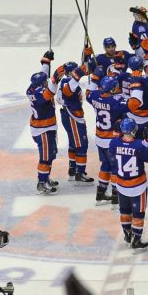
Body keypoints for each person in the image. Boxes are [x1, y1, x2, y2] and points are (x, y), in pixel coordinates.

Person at [109, 118, 148, 252]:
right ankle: (136, 240)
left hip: (121, 184)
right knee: (138, 213)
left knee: (124, 211)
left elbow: (115, 151)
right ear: (134, 130)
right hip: (138, 186)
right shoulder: (140, 145)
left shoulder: (114, 143)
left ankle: (127, 235)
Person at [87, 76, 131, 206]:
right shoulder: (115, 102)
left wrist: (95, 77)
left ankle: (100, 194)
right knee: (115, 169)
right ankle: (115, 196)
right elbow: (132, 105)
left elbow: (88, 93)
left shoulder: (94, 96)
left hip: (100, 138)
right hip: (111, 140)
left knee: (105, 166)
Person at [28, 50, 61, 195]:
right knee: (46, 157)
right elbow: (51, 91)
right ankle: (41, 182)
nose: (46, 82)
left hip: (47, 127)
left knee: (51, 154)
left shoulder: (34, 87)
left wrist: (46, 60)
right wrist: (56, 79)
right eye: (45, 82)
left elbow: (43, 74)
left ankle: (45, 177)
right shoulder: (39, 94)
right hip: (43, 129)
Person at [57, 61, 95, 184]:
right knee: (82, 144)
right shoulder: (68, 82)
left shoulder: (65, 81)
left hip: (68, 114)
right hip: (72, 115)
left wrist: (86, 59)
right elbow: (71, 88)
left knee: (74, 143)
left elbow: (84, 71)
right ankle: (80, 172)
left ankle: (73, 170)